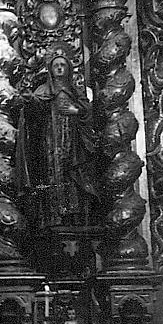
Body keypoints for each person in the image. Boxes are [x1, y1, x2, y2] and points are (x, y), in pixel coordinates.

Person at [15, 50, 99, 226]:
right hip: (50, 141)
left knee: (72, 174)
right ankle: (52, 216)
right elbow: (34, 113)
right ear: (50, 70)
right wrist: (30, 100)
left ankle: (74, 217)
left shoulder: (75, 91)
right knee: (52, 175)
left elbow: (88, 110)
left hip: (73, 142)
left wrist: (77, 111)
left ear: (69, 69)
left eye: (63, 65)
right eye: (56, 66)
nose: (59, 68)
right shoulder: (43, 90)